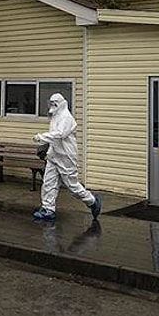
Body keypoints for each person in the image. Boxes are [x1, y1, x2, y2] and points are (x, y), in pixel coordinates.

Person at [31, 93, 102, 221]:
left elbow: (60, 134)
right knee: (48, 183)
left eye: (53, 104)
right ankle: (48, 209)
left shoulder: (66, 118)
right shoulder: (55, 116)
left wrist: (41, 137)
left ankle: (92, 201)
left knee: (72, 186)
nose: (51, 106)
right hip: (54, 156)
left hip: (66, 157)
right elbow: (55, 137)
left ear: (58, 104)